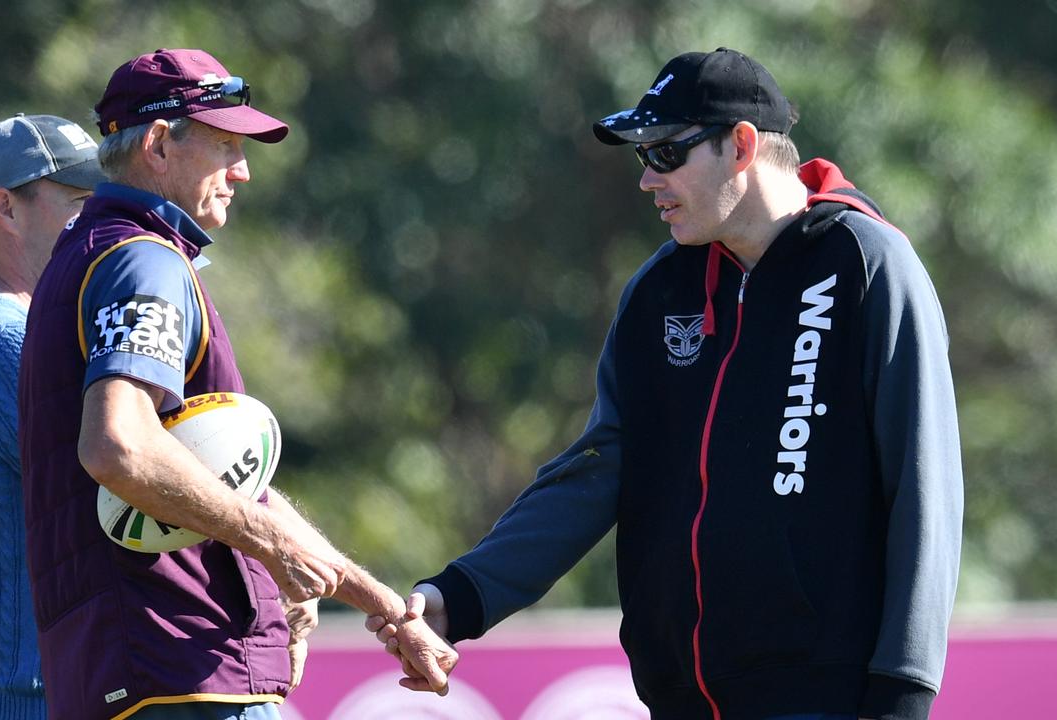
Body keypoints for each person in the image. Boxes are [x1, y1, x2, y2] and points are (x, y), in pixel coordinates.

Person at [372, 47, 963, 720]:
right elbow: (596, 472)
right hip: (680, 701)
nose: (648, 180)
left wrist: (904, 688)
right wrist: (462, 594)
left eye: (665, 153)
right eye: (641, 157)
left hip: (824, 700)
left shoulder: (868, 263)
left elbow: (925, 489)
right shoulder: (660, 288)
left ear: (741, 145)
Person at [17, 48, 456, 720]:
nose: (243, 171)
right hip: (183, 667)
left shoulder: (84, 254)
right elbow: (118, 447)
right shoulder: (144, 262)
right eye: (226, 145)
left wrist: (383, 607)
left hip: (125, 672)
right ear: (159, 145)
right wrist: (269, 544)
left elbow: (207, 472)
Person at [0, 113, 107, 719]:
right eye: (79, 200)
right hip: (28, 703)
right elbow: (131, 499)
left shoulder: (8, 332)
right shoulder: (4, 341)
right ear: (5, 209)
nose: (96, 220)